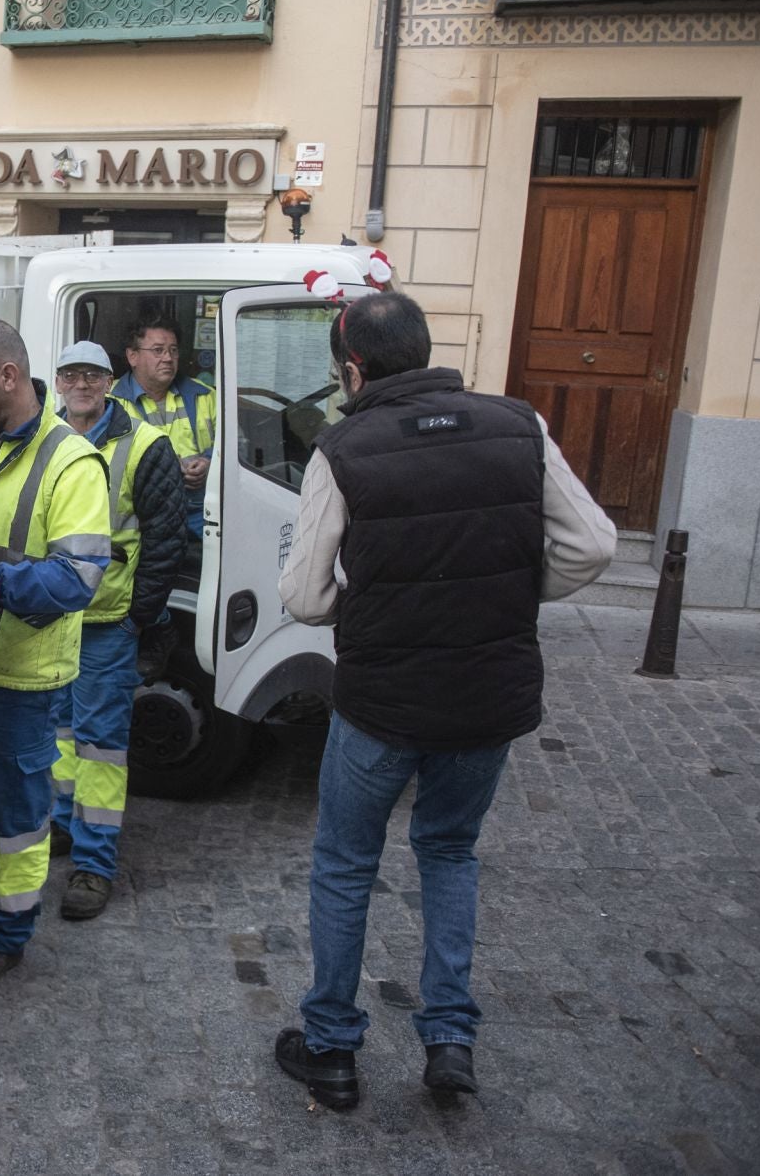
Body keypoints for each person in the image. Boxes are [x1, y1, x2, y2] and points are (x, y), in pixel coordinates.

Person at [273, 291, 615, 1110]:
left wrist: (371, 606)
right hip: (484, 697)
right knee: (451, 852)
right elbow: (594, 544)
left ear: (352, 370)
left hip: (382, 700)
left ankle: (330, 1048)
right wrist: (515, 594)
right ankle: (450, 1038)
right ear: (426, 353)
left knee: (347, 864)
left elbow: (304, 596)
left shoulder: (343, 446)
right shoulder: (517, 425)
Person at [0, 317, 111, 990]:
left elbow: (79, 579)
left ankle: (5, 935)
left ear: (8, 377)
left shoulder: (70, 460)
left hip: (22, 679)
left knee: (18, 821)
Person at [46, 340, 185, 920]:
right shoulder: (43, 438)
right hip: (50, 618)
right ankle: (60, 824)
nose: (81, 384)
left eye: (92, 375)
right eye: (71, 375)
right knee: (54, 731)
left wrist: (137, 616)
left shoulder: (146, 445)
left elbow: (165, 540)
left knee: (100, 744)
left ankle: (94, 865)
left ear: (109, 382)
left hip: (107, 622)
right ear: (57, 383)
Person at [112, 318, 216, 543]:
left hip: (201, 515)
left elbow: (238, 447)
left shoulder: (206, 395)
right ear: (133, 356)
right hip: (142, 518)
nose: (168, 358)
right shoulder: (110, 401)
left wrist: (210, 463)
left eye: (173, 350)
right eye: (158, 350)